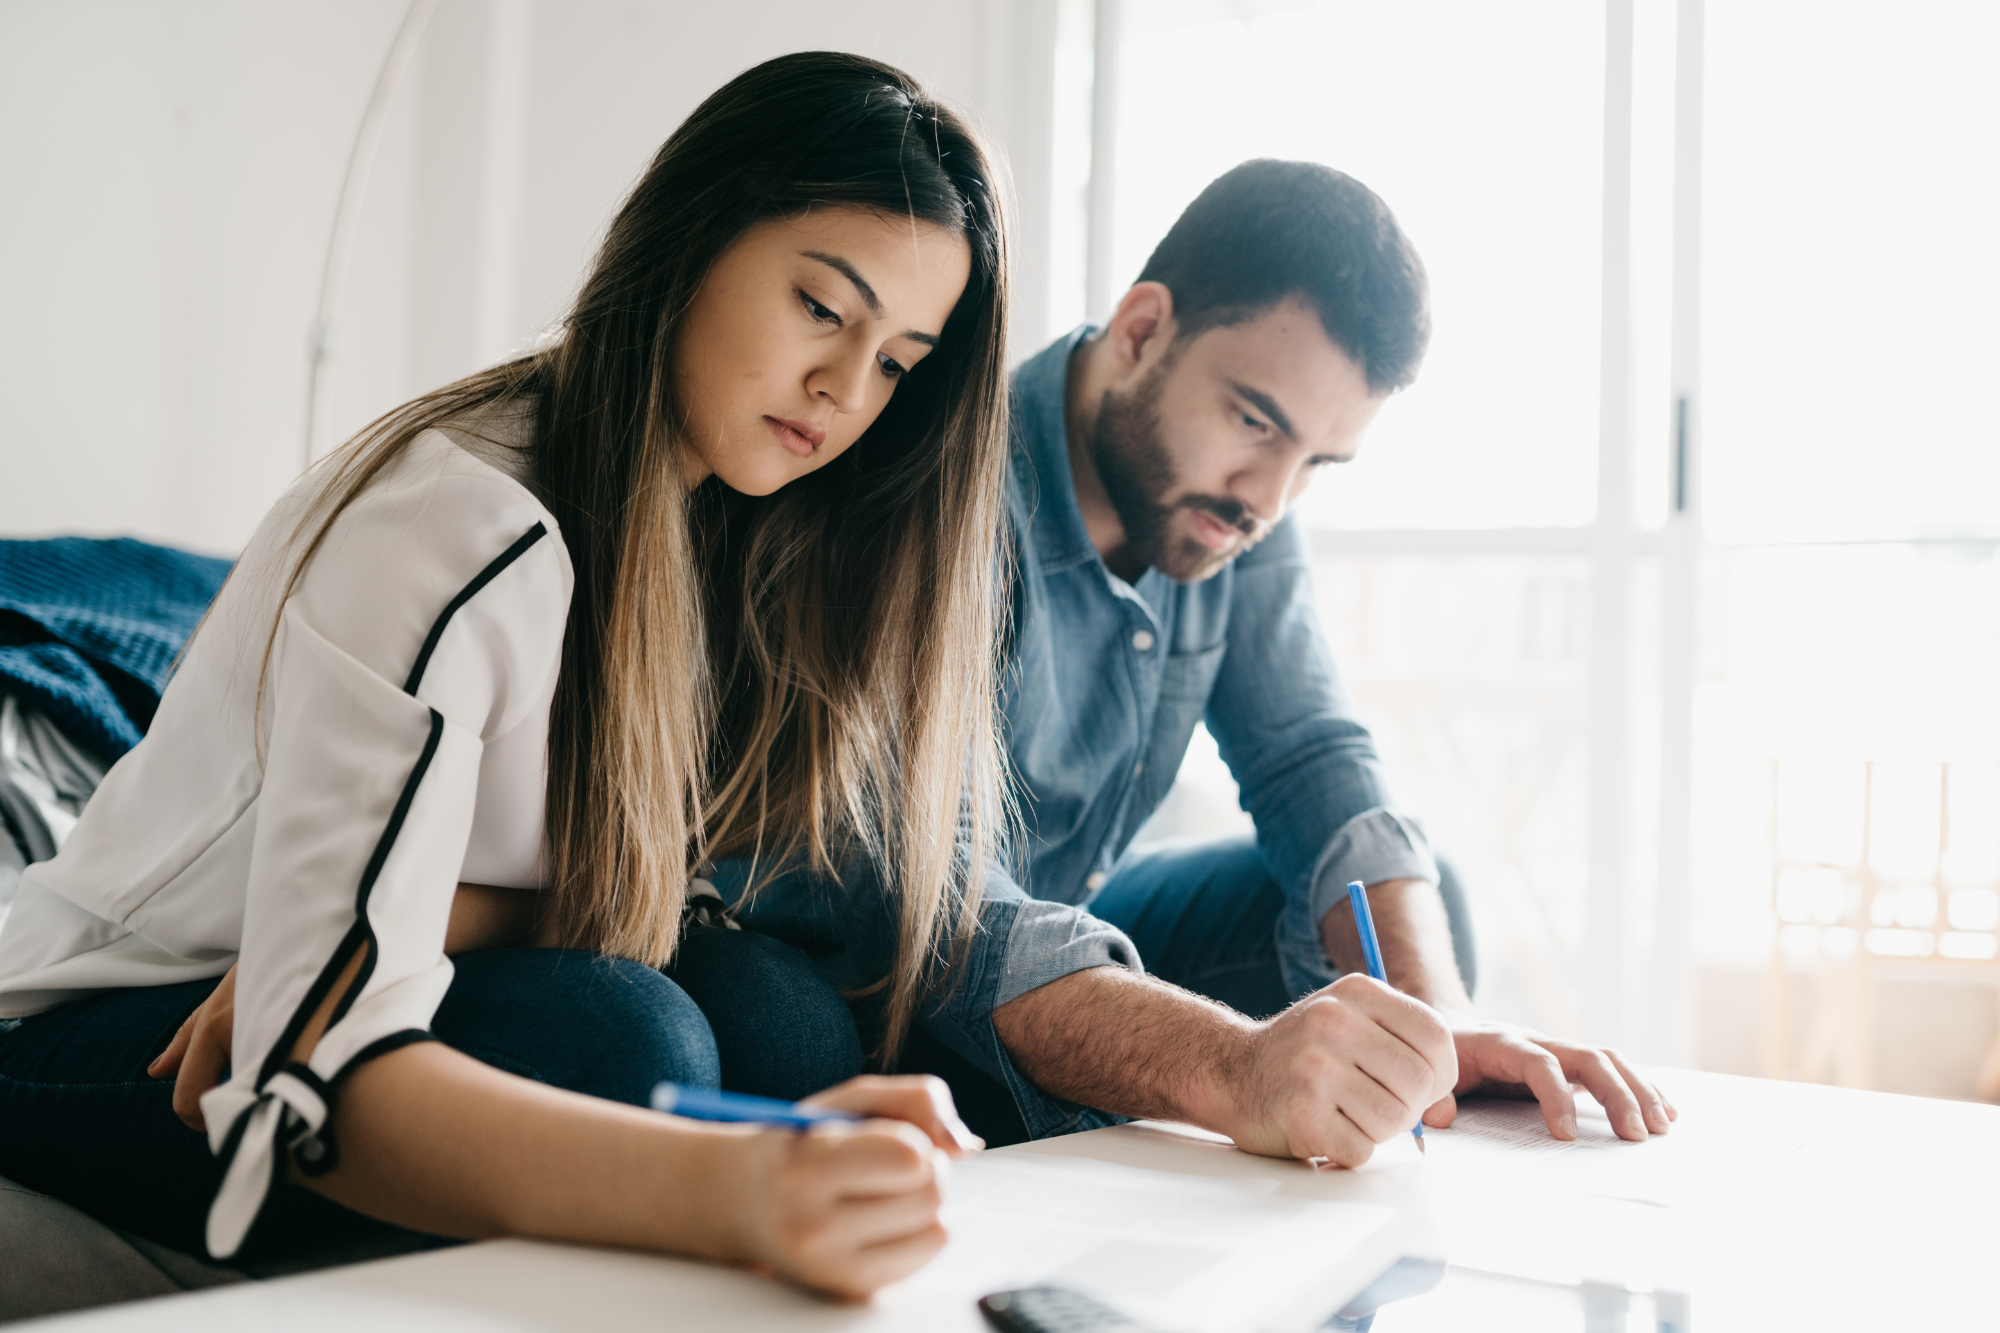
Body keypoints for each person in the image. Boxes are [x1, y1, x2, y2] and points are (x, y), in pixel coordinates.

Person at [0, 52, 1014, 1300]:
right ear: (692, 238)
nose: (845, 391)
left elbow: (629, 894)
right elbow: (303, 1064)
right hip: (87, 1027)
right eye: (820, 307)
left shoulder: (738, 543)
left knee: (779, 1013)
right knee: (618, 1036)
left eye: (897, 361)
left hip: (272, 978)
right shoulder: (456, 526)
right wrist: (736, 1181)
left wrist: (403, 926)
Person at [717, 159, 1674, 1160]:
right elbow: (937, 905)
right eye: (1255, 421)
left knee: (1407, 929)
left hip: (1051, 920)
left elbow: (1311, 759)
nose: (1270, 493)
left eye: (1315, 462)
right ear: (1140, 332)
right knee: (797, 1027)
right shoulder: (944, 485)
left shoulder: (1232, 506)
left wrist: (1433, 1027)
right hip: (866, 954)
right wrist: (1234, 1066)